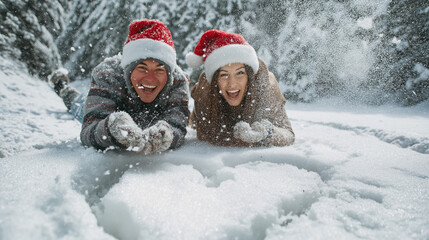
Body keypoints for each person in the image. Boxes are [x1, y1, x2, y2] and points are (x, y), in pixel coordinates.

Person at [49, 19, 190, 154]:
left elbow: (178, 126)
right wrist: (110, 128)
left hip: (147, 121)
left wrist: (168, 134)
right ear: (128, 69)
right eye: (142, 68)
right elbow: (88, 131)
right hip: (107, 112)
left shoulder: (177, 81)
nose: (150, 78)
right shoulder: (108, 74)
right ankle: (63, 88)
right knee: (78, 104)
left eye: (159, 70)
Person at [186, 29, 294, 147]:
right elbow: (199, 129)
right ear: (216, 80)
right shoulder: (205, 91)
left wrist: (267, 133)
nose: (232, 84)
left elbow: (288, 135)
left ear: (249, 75)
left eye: (240, 73)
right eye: (224, 74)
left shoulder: (266, 88)